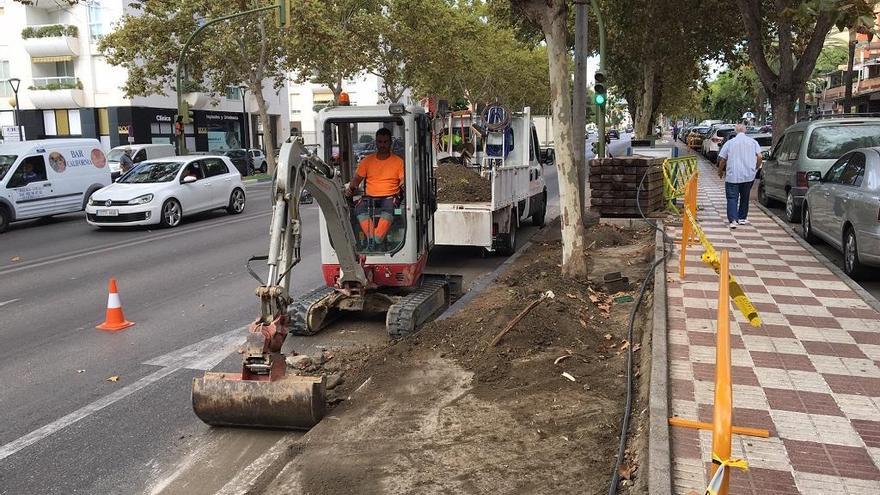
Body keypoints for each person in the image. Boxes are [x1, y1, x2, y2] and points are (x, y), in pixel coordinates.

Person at [346, 128, 404, 245]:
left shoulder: (398, 161)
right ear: (376, 142)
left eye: (385, 142)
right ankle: (373, 238)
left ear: (390, 143)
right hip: (370, 197)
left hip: (390, 196)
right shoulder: (367, 161)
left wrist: (403, 186)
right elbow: (357, 179)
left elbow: (403, 179)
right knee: (359, 208)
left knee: (390, 209)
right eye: (380, 142)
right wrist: (350, 190)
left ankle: (376, 239)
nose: (382, 145)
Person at [717, 123, 762, 229]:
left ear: (735, 131)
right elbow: (760, 156)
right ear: (745, 131)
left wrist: (720, 171)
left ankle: (733, 220)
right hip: (748, 175)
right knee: (745, 197)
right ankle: (742, 218)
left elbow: (723, 159)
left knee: (732, 197)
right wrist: (756, 167)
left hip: (733, 175)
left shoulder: (730, 143)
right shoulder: (753, 142)